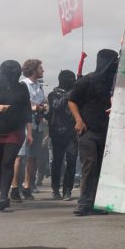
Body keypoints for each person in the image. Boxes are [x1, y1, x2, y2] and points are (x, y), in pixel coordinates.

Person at [69, 49, 118, 217]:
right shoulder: (87, 81)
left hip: (105, 130)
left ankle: (96, 202)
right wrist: (78, 120)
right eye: (113, 62)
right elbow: (72, 100)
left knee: (100, 169)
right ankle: (83, 203)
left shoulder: (114, 83)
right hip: (87, 130)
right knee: (89, 165)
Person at [0, 60, 33, 211]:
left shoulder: (22, 88)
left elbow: (27, 110)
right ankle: (3, 194)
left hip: (15, 131)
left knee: (8, 162)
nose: (16, 74)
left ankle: (3, 197)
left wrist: (30, 132)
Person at [11, 59, 46, 201]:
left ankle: (27, 186)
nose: (43, 71)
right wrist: (35, 107)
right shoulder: (23, 85)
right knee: (20, 156)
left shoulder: (39, 86)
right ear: (33, 70)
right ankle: (14, 187)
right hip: (25, 124)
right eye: (40, 68)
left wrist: (41, 107)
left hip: (37, 124)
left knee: (33, 157)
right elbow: (20, 105)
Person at [47, 70, 78, 200]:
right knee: (57, 162)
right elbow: (57, 106)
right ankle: (55, 189)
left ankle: (67, 190)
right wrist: (68, 95)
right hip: (58, 132)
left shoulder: (75, 93)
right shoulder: (53, 94)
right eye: (71, 79)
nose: (73, 81)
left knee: (71, 161)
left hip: (72, 132)